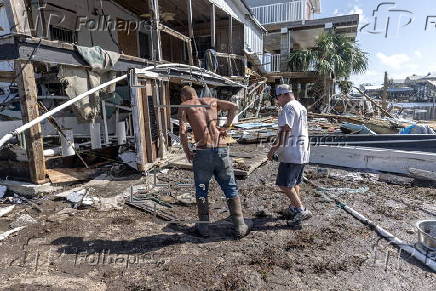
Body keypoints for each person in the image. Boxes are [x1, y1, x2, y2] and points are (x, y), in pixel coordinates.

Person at [178, 86, 250, 238]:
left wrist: (187, 151)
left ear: (183, 97)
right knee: (230, 187)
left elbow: (183, 131)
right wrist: (226, 127)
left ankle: (203, 228)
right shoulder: (212, 101)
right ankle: (240, 226)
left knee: (201, 189)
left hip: (203, 153)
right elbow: (234, 107)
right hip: (221, 150)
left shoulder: (185, 105)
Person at [267, 84, 312, 225]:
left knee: (284, 185)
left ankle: (300, 209)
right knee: (295, 183)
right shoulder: (300, 106)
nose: (277, 101)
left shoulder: (288, 107)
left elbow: (286, 129)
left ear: (283, 95)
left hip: (292, 152)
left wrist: (273, 149)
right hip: (302, 150)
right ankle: (294, 207)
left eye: (277, 98)